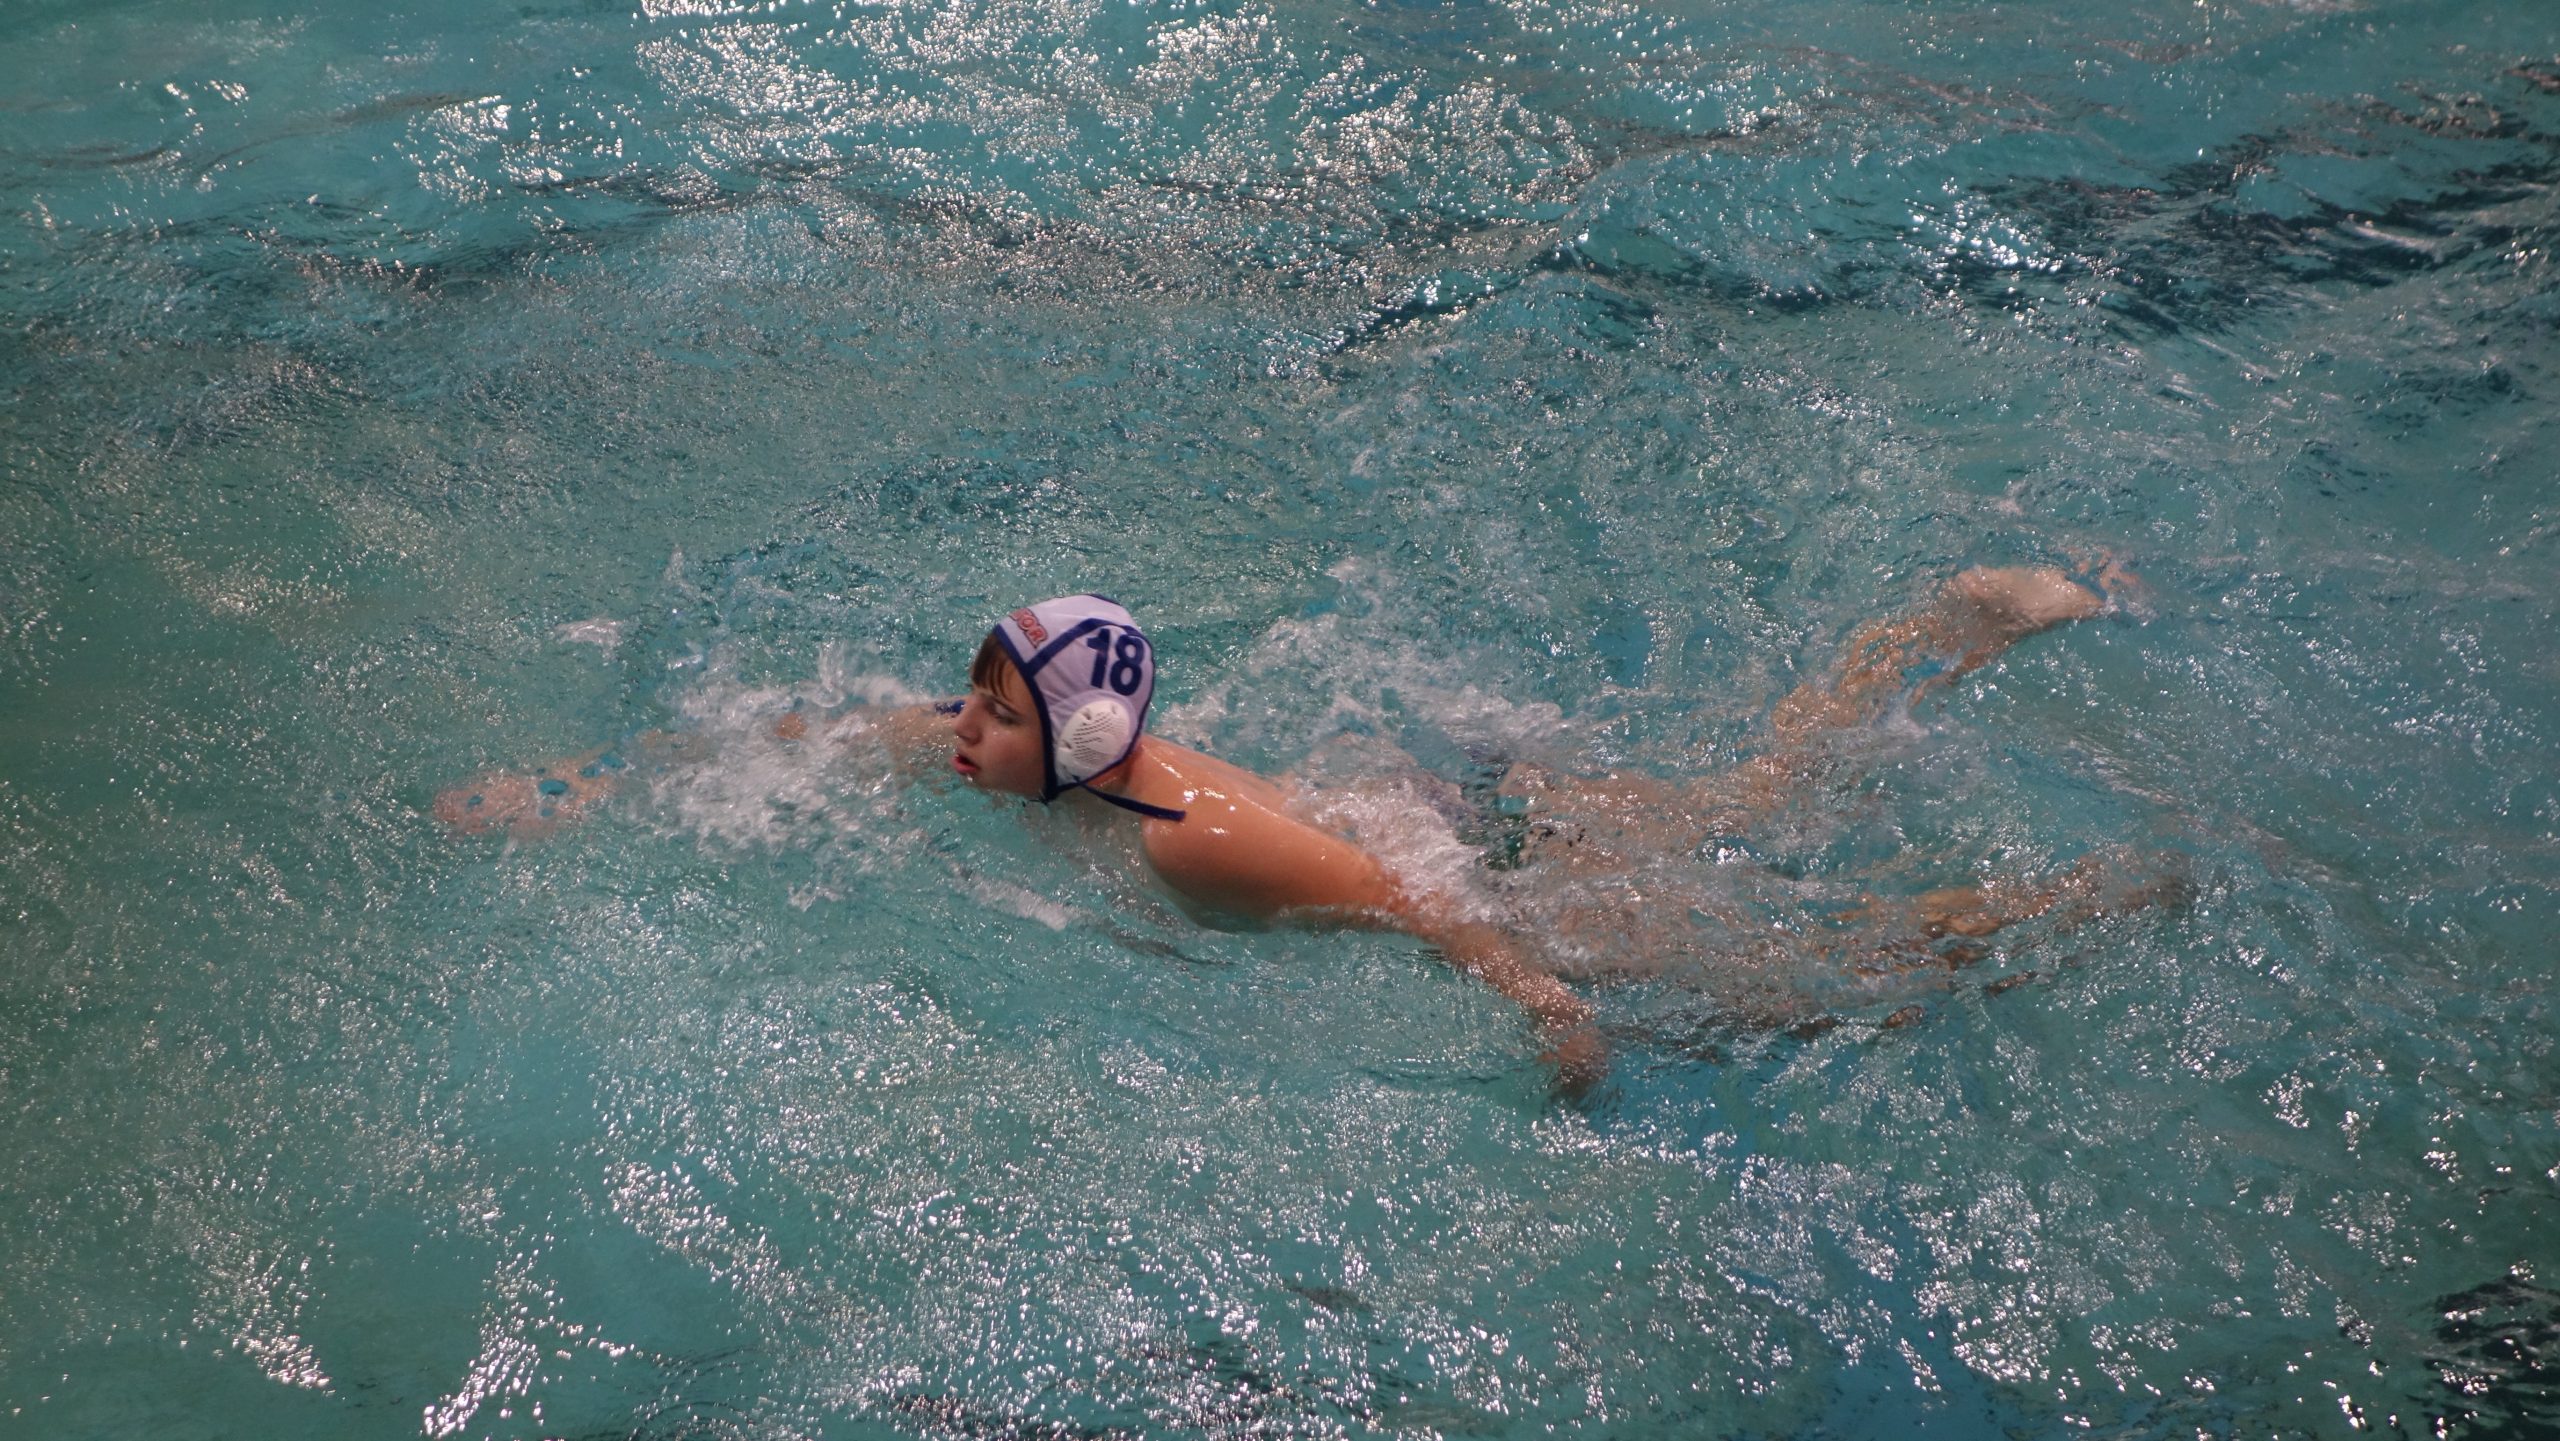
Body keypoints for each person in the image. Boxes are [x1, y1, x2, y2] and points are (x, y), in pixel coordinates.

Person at [435, 566, 2141, 1090]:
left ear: (1081, 739)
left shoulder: (1190, 838)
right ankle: (1949, 634)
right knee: (1748, 801)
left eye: (996, 715)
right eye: (969, 699)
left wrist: (1546, 1004)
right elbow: (788, 741)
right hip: (1437, 818)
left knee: (1783, 981)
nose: (956, 730)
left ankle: (2059, 894)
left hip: (1473, 876)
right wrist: (563, 790)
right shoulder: (1007, 755)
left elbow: (1411, 906)